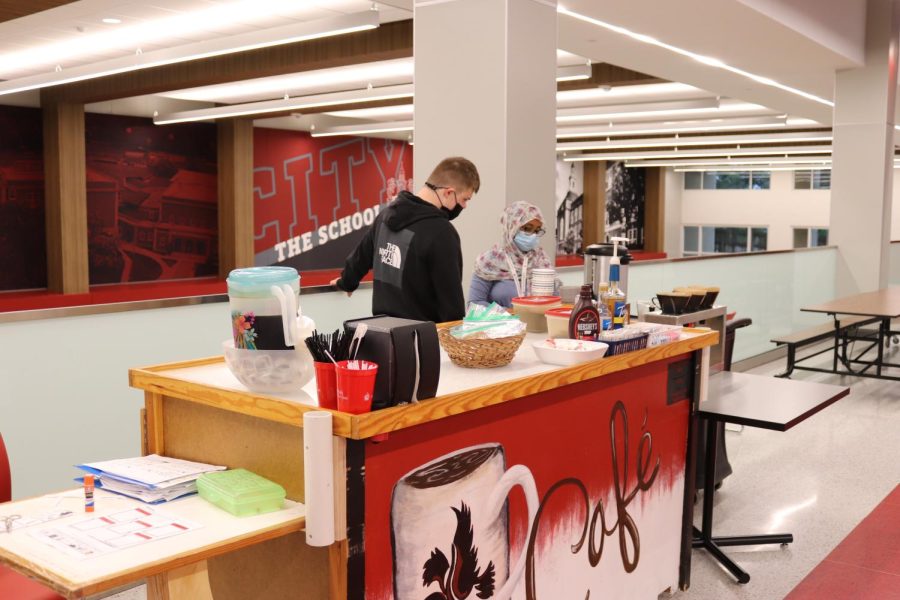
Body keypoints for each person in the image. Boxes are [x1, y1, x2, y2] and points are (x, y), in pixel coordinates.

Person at [330, 157, 480, 323]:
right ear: (448, 192)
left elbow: (361, 257)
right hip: (421, 339)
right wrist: (454, 338)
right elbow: (450, 302)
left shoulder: (385, 216)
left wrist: (346, 282)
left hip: (382, 333)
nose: (464, 206)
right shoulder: (441, 232)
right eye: (465, 199)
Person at [469, 201, 553, 308]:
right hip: (501, 323)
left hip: (537, 323)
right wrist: (509, 314)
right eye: (527, 228)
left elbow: (554, 301)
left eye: (537, 231)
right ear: (511, 227)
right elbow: (474, 304)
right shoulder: (490, 261)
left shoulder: (542, 260)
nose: (532, 235)